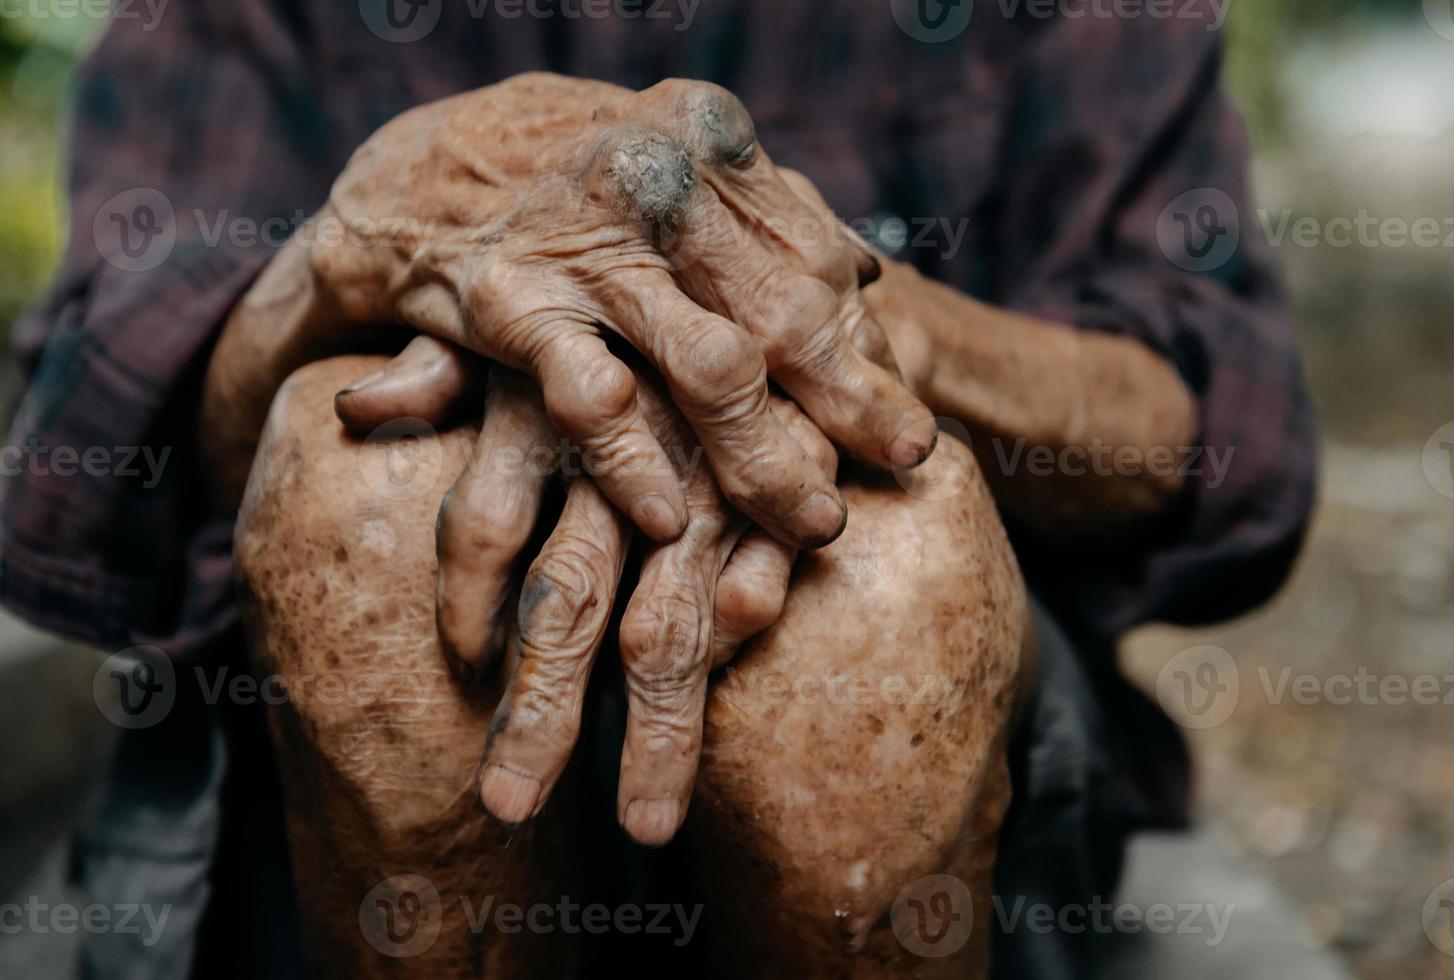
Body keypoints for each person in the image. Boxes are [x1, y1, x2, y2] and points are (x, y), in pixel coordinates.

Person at [0, 3, 1315, 978]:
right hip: (328, 812)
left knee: (875, 605)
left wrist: (819, 325)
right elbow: (98, 430)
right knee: (369, 505)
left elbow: (1217, 438)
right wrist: (356, 256)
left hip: (966, 752)